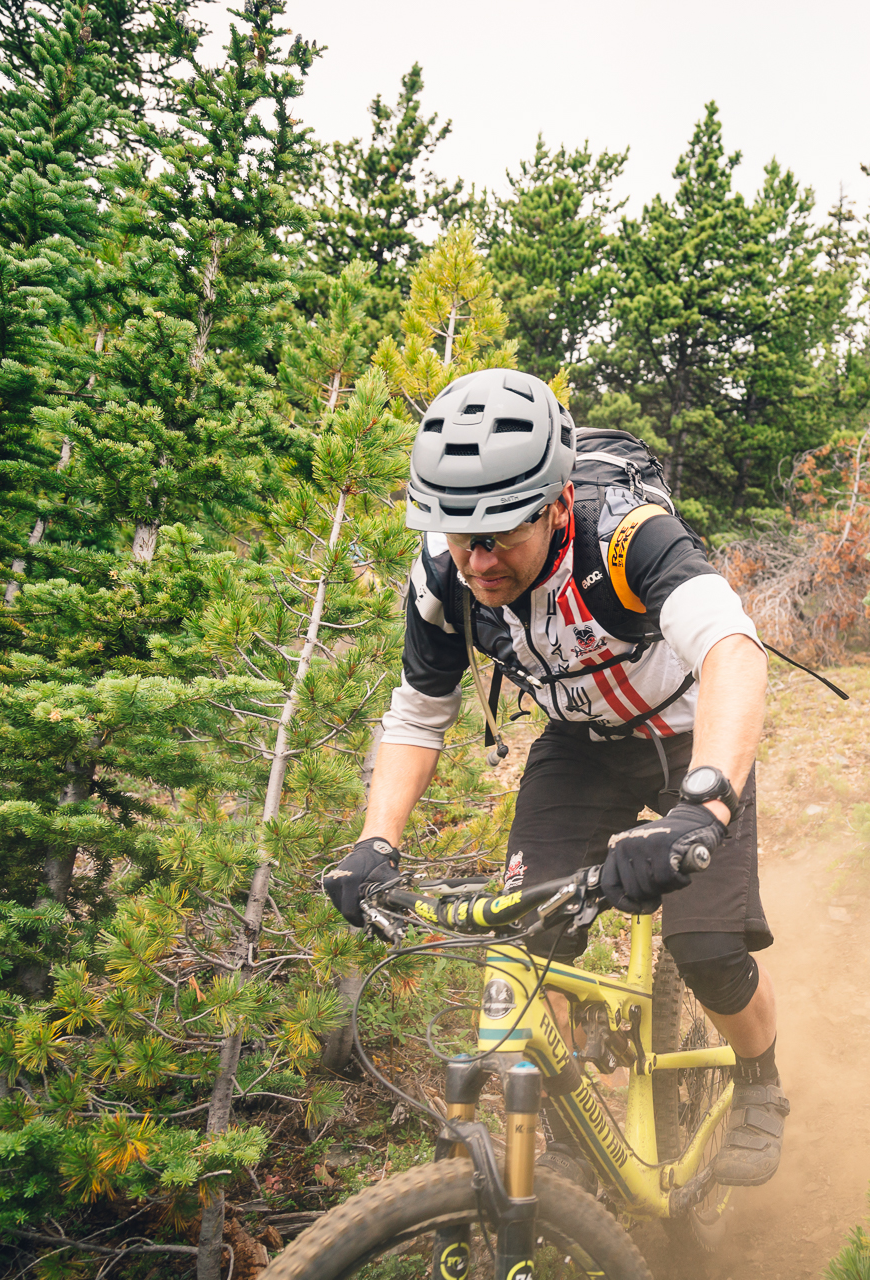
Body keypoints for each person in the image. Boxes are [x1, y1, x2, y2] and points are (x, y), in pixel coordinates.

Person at [321, 367, 788, 1187]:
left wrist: (707, 804)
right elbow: (417, 715)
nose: (478, 558)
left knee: (709, 949)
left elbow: (731, 650)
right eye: (459, 534)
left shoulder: (625, 533)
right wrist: (374, 842)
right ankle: (571, 1124)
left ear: (557, 505)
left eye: (500, 533)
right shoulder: (445, 577)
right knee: (529, 939)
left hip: (687, 735)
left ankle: (760, 1083)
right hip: (581, 743)